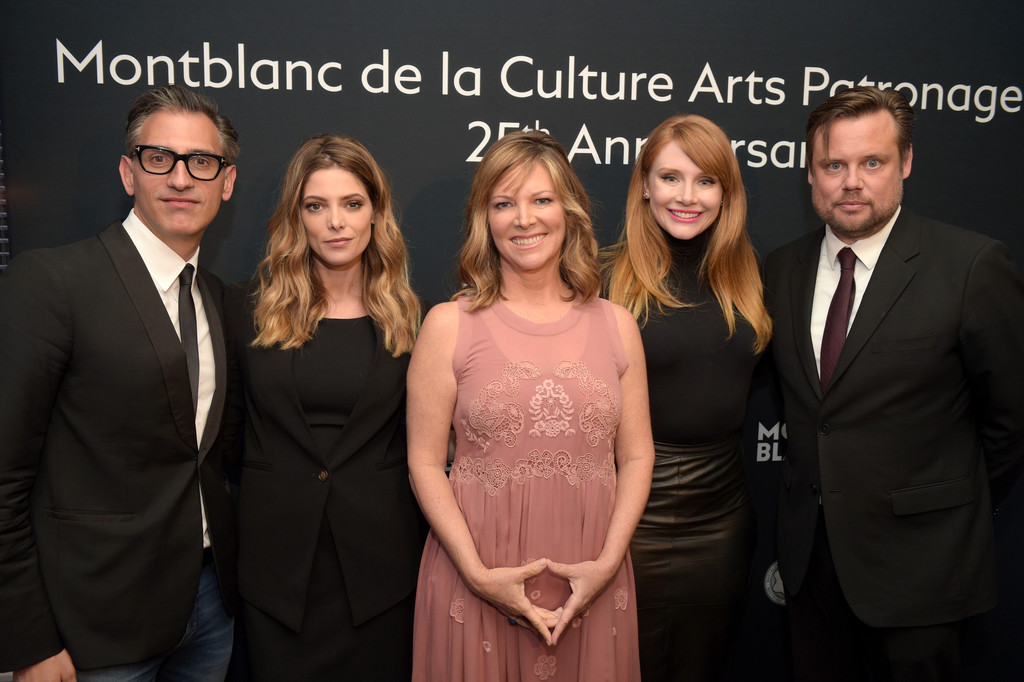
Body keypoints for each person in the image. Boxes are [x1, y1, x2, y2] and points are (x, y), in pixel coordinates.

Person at [762, 85, 1024, 681]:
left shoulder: (971, 266)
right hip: (810, 570)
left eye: (872, 163)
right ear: (810, 174)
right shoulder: (780, 269)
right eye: (834, 165)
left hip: (923, 573)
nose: (852, 182)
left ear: (905, 163)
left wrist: (940, 513)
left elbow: (1010, 423)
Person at [0, 85, 239, 680]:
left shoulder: (221, 301)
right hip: (91, 628)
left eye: (201, 162)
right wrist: (27, 640)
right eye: (160, 158)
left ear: (226, 183)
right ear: (129, 173)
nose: (182, 178)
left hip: (210, 609)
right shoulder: (51, 283)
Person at [408, 130, 654, 681]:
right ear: (484, 219)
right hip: (475, 579)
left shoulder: (616, 324)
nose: (524, 219)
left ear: (569, 211)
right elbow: (425, 462)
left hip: (592, 577)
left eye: (541, 200)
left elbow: (637, 456)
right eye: (504, 204)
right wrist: (476, 575)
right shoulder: (448, 325)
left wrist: (608, 563)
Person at [224, 134, 425, 680]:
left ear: (376, 213)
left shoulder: (416, 321)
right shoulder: (243, 311)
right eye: (317, 206)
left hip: (380, 576)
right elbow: (225, 441)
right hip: (275, 576)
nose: (336, 222)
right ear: (298, 217)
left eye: (352, 204)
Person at [604, 114, 772, 681]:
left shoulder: (752, 280)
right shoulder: (601, 281)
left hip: (721, 518)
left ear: (726, 193)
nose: (687, 196)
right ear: (644, 184)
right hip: (621, 516)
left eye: (706, 181)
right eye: (671, 177)